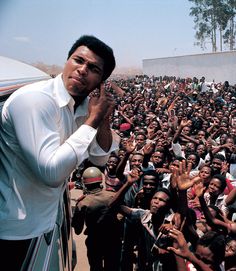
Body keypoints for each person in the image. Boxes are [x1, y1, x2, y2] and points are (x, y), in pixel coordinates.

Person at [0, 35, 119, 270]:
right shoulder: (36, 101)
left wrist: (102, 120)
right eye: (78, 60)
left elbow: (100, 157)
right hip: (15, 230)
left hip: (43, 222)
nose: (82, 70)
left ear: (101, 82)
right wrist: (93, 119)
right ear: (67, 61)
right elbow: (51, 173)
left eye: (93, 68)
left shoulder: (83, 106)